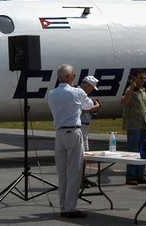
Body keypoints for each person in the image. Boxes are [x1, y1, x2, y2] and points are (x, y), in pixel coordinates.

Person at [48, 64, 94, 219]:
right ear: (69, 77)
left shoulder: (52, 93)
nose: (74, 78)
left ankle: (63, 205)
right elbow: (89, 105)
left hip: (59, 133)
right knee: (74, 172)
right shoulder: (76, 92)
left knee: (62, 174)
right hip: (73, 131)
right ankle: (70, 207)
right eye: (73, 75)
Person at [122, 69, 146, 185]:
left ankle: (140, 174)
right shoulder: (130, 90)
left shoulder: (143, 91)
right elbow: (124, 103)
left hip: (143, 124)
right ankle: (130, 175)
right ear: (135, 79)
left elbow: (144, 109)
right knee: (133, 151)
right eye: (140, 78)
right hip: (134, 125)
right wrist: (131, 88)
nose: (143, 80)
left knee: (143, 151)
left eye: (144, 78)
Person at [79, 76, 101, 188]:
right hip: (80, 126)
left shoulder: (83, 94)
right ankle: (79, 179)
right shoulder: (79, 93)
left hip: (84, 126)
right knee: (81, 154)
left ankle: (82, 177)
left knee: (85, 154)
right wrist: (95, 106)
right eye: (91, 88)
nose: (92, 90)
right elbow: (83, 109)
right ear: (87, 85)